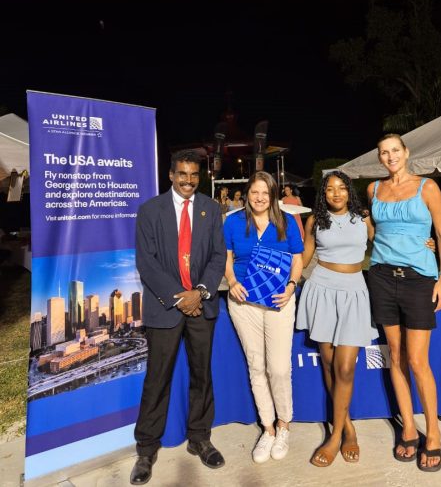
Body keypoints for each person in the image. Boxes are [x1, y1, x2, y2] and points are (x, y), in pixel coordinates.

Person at [131, 150, 227, 485]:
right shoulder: (150, 211)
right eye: (182, 174)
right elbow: (147, 263)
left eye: (194, 175)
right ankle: (146, 449)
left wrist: (198, 293)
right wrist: (180, 298)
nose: (188, 181)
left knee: (202, 375)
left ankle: (200, 438)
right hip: (165, 308)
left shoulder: (211, 209)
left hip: (202, 306)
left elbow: (217, 257)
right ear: (171, 175)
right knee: (157, 378)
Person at [366, 133, 441, 473]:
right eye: (384, 153)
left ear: (406, 152)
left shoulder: (426, 187)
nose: (390, 157)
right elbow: (373, 227)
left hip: (419, 280)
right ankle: (409, 427)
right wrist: (395, 240)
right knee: (396, 357)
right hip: (382, 277)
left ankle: (434, 432)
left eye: (395, 151)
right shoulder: (373, 190)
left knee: (417, 361)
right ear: (380, 158)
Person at [296, 170, 379, 467]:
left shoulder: (363, 218)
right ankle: (347, 428)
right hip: (321, 290)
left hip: (355, 291)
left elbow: (386, 243)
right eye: (330, 189)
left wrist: (425, 245)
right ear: (323, 193)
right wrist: (287, 279)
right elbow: (304, 256)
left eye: (341, 188)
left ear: (349, 191)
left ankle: (334, 437)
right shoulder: (315, 221)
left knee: (345, 368)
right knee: (329, 365)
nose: (336, 193)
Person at [223, 171, 304, 464]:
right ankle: (268, 429)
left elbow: (297, 258)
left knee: (279, 368)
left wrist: (292, 286)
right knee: (256, 366)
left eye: (265, 193)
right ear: (247, 194)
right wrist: (231, 281)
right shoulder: (233, 221)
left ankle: (284, 424)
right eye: (254, 192)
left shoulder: (286, 220)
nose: (259, 198)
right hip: (244, 303)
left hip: (279, 302)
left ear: (273, 195)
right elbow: (226, 256)